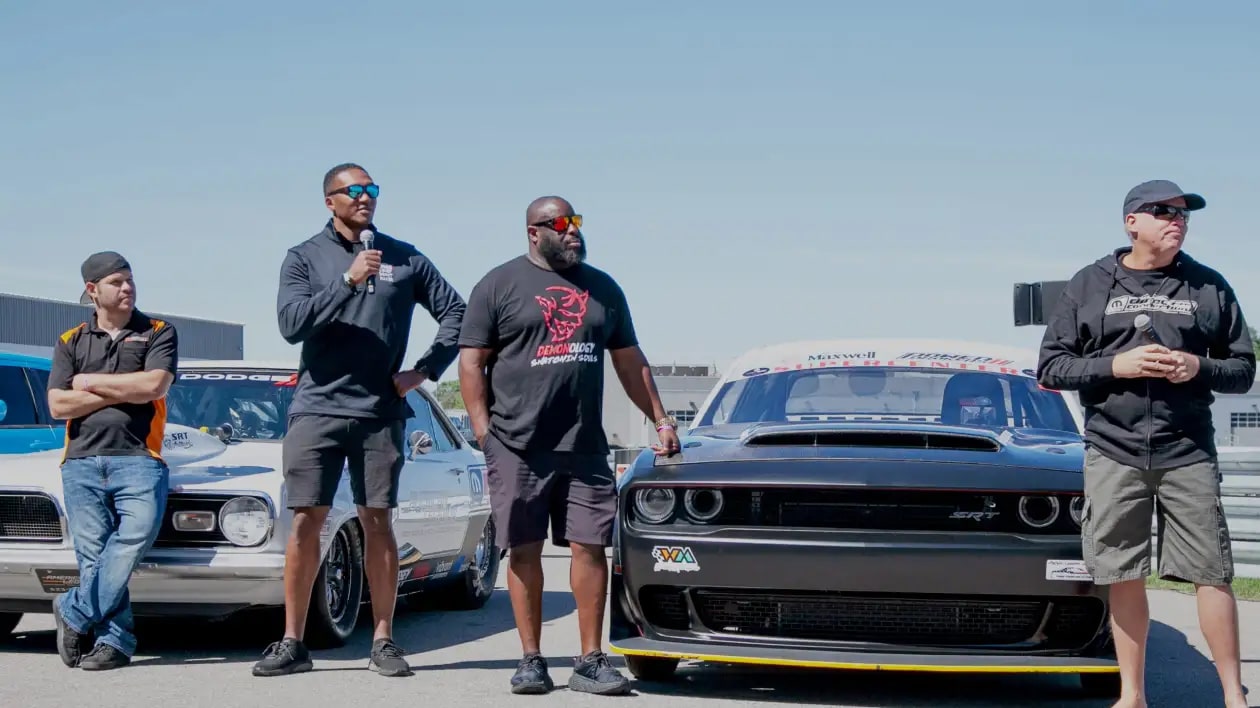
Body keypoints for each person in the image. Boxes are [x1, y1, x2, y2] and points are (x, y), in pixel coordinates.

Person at [1036, 180, 1255, 708]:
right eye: (1163, 211)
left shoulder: (1209, 286)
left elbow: (1244, 370)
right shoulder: (1090, 284)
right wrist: (1118, 365)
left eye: (1182, 214)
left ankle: (1233, 696)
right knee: (1123, 573)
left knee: (1212, 574)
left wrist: (1196, 366)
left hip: (1188, 452)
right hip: (1113, 450)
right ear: (1131, 221)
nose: (1176, 220)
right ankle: (1132, 695)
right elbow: (1051, 366)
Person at [458, 195, 680, 696]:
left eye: (576, 221)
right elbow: (471, 362)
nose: (572, 230)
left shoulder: (602, 288)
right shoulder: (498, 285)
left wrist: (662, 418)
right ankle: (531, 659)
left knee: (590, 547)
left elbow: (629, 360)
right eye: (559, 223)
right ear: (533, 232)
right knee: (523, 550)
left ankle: (590, 659)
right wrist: (482, 433)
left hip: (583, 447)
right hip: (516, 445)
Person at [253, 163, 466, 678]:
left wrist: (423, 371)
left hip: (378, 412)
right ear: (330, 201)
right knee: (308, 520)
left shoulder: (404, 256)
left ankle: (385, 640)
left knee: (378, 521)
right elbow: (290, 324)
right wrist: (348, 281)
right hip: (317, 408)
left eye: (372, 189)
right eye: (354, 191)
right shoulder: (304, 257)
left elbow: (457, 312)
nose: (365, 197)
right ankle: (293, 641)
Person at [46, 251, 179, 671]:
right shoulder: (70, 341)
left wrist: (90, 382)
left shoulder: (157, 331)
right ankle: (114, 643)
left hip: (140, 458)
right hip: (81, 461)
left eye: (130, 280)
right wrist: (122, 388)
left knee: (133, 540)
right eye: (117, 282)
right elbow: (57, 405)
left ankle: (73, 609)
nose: (127, 288)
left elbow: (154, 384)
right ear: (93, 290)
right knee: (94, 555)